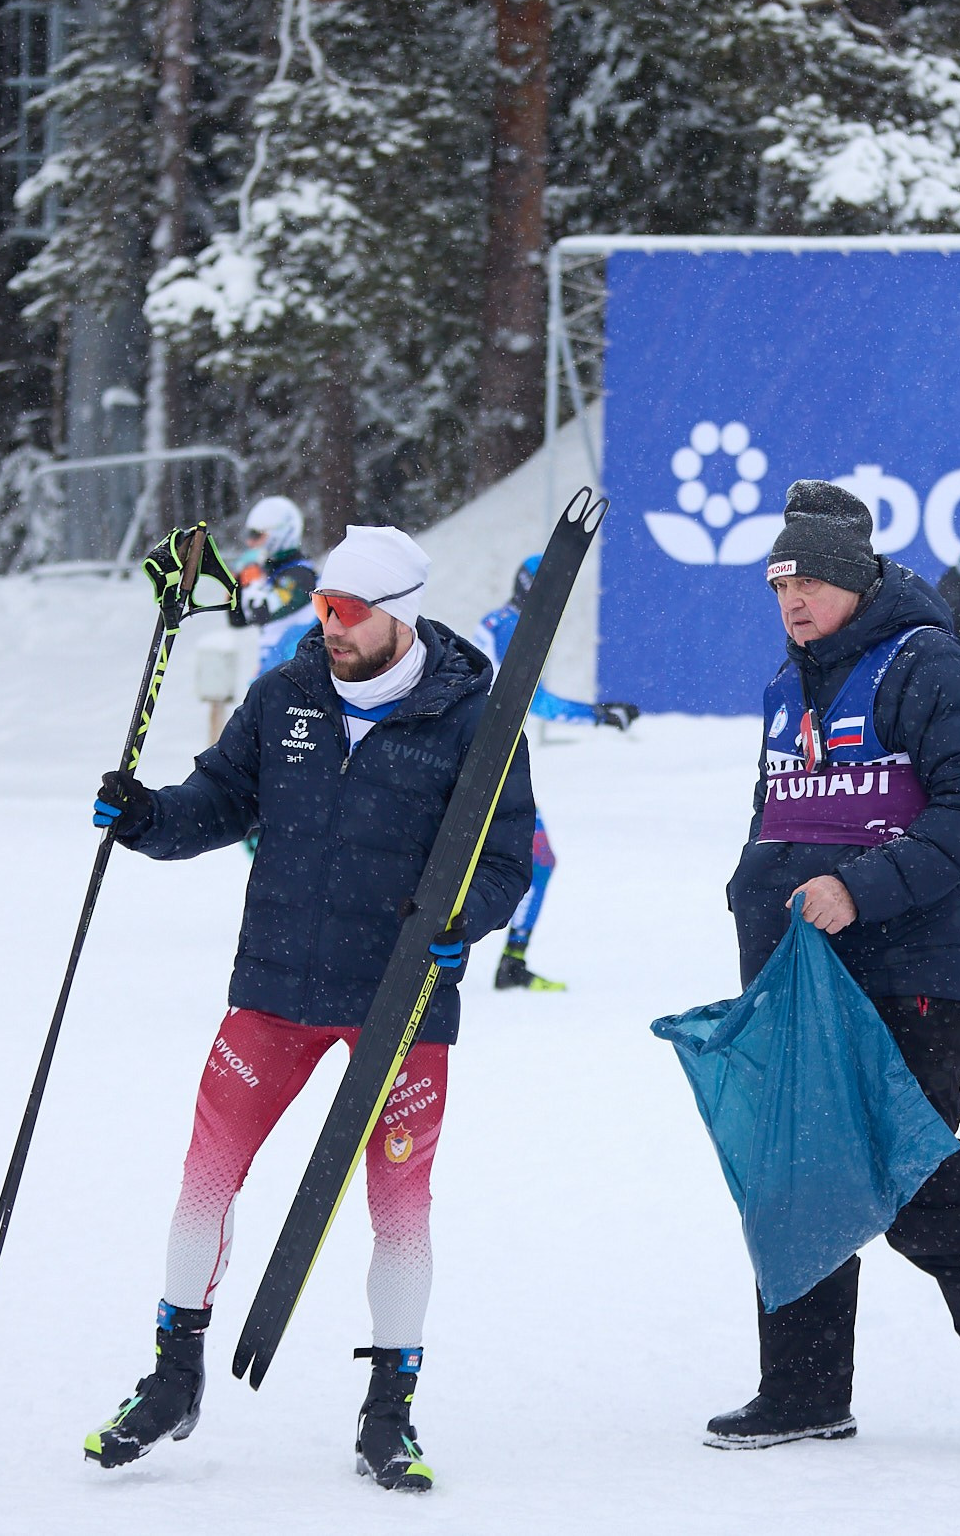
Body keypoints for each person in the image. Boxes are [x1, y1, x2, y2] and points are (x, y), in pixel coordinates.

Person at [83, 525, 535, 1494]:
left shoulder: (473, 719)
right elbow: (217, 801)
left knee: (399, 1211)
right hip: (277, 988)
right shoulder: (284, 696)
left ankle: (388, 1415)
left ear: (399, 618)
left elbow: (504, 857)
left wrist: (468, 923)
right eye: (322, 606)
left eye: (347, 612)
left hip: (400, 1003)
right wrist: (148, 819)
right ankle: (171, 1376)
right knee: (205, 1180)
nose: (326, 626)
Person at [710, 480, 960, 1451]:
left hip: (911, 963)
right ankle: (805, 1393)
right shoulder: (789, 686)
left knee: (910, 1181)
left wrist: (861, 888)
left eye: (812, 580)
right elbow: (770, 822)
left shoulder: (926, 662)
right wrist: (751, 907)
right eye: (780, 583)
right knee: (796, 1179)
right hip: (802, 970)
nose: (793, 600)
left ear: (857, 581)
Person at [472, 553, 641, 993]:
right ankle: (502, 962)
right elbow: (534, 701)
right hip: (487, 769)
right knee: (534, 861)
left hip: (484, 763)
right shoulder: (513, 628)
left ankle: (502, 961)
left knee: (516, 862)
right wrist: (601, 715)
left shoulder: (498, 622)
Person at [233, 494, 318, 679]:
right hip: (274, 674)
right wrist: (236, 587)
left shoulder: (300, 576)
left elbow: (258, 611)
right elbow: (237, 619)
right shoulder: (273, 573)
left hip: (296, 678)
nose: (250, 543)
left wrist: (252, 582)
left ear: (280, 532)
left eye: (257, 535)